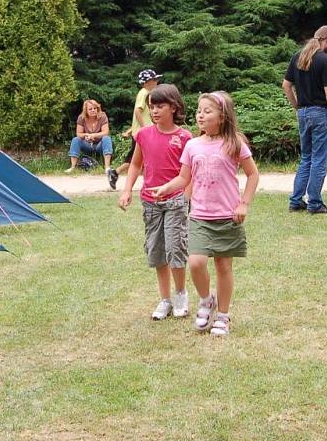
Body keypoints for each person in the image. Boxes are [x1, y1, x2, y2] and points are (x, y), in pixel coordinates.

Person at [150, 91, 259, 337]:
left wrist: (244, 204)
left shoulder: (234, 144)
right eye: (199, 111)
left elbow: (253, 175)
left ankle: (223, 316)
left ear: (223, 116)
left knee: (223, 266)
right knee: (196, 262)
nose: (201, 115)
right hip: (199, 216)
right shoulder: (192, 145)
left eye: (207, 111)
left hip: (228, 216)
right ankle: (206, 300)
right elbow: (183, 178)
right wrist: (167, 188)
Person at [118, 83, 193, 321]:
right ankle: (165, 300)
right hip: (150, 203)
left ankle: (180, 294)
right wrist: (127, 190)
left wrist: (186, 197)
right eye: (152, 106)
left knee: (175, 249)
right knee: (157, 251)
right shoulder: (143, 135)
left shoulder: (185, 137)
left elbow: (189, 173)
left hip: (175, 202)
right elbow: (136, 165)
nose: (154, 111)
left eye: (160, 106)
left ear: (174, 107)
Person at [282, 25, 327, 214]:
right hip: (320, 113)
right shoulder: (326, 61)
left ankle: (296, 200)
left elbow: (286, 85)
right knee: (319, 159)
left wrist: (297, 105)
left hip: (303, 113)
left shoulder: (298, 57)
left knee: (306, 157)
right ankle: (315, 202)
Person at [109, 69, 163, 189]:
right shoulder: (144, 93)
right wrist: (145, 128)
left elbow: (139, 115)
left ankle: (146, 182)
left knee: (143, 158)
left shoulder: (146, 93)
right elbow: (137, 111)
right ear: (146, 82)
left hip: (140, 132)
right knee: (136, 159)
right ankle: (115, 173)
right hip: (142, 134)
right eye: (154, 80)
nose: (156, 82)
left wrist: (130, 130)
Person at [65, 99, 114, 177]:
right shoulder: (81, 117)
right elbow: (79, 134)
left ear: (97, 109)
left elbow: (105, 132)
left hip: (99, 144)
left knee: (107, 138)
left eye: (95, 108)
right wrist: (86, 135)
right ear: (86, 110)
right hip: (87, 144)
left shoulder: (103, 116)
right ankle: (73, 167)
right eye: (90, 109)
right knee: (75, 140)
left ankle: (107, 167)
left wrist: (94, 135)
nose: (93, 110)